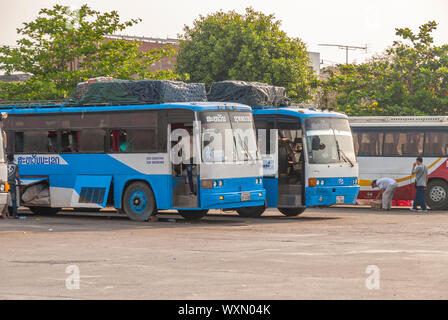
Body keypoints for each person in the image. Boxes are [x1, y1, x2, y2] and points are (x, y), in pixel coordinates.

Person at [7, 154, 20, 218]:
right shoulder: (16, 166)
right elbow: (17, 176)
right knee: (14, 199)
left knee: (4, 199)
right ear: (13, 159)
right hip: (12, 184)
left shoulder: (5, 165)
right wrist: (19, 181)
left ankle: (2, 213)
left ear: (7, 159)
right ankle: (15, 215)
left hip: (5, 184)